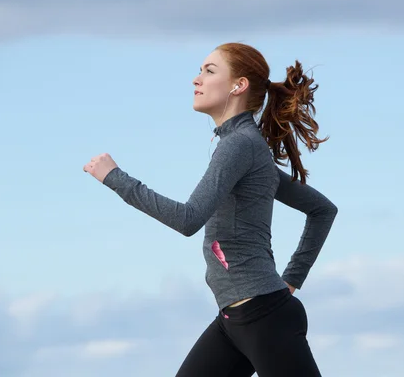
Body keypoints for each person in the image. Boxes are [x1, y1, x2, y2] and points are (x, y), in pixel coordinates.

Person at [83, 42, 338, 376]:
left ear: (238, 85)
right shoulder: (246, 146)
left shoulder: (240, 145)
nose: (196, 79)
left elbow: (188, 219)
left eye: (209, 70)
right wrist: (291, 279)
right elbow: (322, 209)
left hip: (265, 318)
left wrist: (115, 178)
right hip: (235, 321)